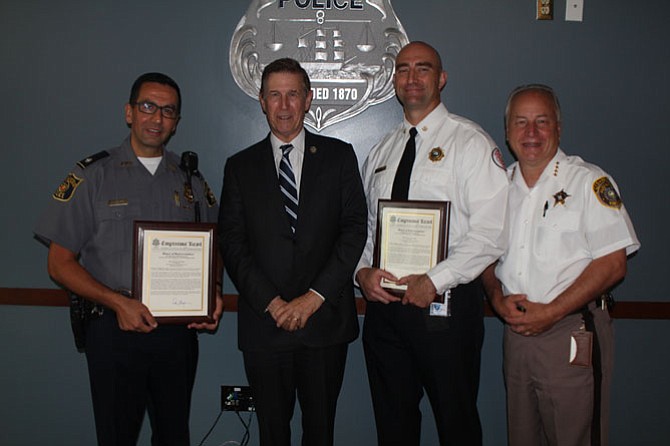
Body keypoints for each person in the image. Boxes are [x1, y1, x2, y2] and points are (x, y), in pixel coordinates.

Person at [34, 72, 223, 446]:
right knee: (117, 436)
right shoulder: (93, 175)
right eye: (148, 107)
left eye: (168, 111)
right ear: (129, 113)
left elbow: (212, 247)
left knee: (174, 436)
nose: (157, 119)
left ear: (176, 122)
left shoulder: (191, 181)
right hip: (114, 328)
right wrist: (117, 302)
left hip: (176, 333)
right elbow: (59, 263)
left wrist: (214, 290)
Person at [355, 41, 509, 445]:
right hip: (385, 314)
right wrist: (363, 271)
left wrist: (435, 280)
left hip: (447, 309)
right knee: (393, 426)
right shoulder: (382, 151)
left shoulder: (470, 142)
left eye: (423, 68)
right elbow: (369, 230)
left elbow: (491, 231)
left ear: (441, 79)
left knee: (456, 424)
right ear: (394, 81)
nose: (412, 77)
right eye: (403, 69)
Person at [218, 58, 367, 446]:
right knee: (272, 434)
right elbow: (232, 244)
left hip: (324, 325)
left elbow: (354, 230)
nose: (284, 106)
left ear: (308, 100)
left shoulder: (339, 157)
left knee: (320, 433)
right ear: (262, 102)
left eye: (293, 95)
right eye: (274, 95)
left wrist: (312, 299)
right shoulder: (239, 167)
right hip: (265, 326)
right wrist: (273, 302)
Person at [481, 84, 640, 446]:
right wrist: (494, 296)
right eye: (521, 122)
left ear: (559, 128)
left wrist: (551, 312)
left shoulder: (588, 182)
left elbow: (614, 264)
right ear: (507, 132)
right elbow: (485, 257)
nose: (531, 133)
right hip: (517, 336)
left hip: (572, 332)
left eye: (542, 122)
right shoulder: (498, 188)